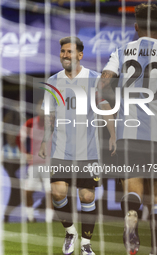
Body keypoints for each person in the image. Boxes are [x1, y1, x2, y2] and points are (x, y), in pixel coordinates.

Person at [97, 4, 157, 255]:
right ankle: (156, 252)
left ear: (135, 26)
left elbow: (101, 88)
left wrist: (113, 111)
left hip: (128, 133)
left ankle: (131, 223)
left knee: (133, 188)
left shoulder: (121, 52)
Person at [39, 36, 116, 255]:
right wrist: (45, 138)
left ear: (80, 55)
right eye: (63, 51)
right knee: (57, 192)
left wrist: (113, 134)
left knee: (87, 197)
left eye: (70, 52)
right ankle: (70, 232)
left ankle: (85, 244)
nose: (65, 55)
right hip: (60, 148)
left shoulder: (94, 79)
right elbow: (50, 114)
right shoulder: (53, 81)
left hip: (88, 150)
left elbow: (105, 107)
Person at [18, 99, 53, 223]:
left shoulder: (54, 123)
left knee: (50, 192)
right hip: (34, 164)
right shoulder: (30, 123)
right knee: (27, 191)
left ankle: (49, 219)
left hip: (49, 164)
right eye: (41, 107)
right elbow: (19, 138)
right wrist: (24, 153)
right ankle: (30, 217)